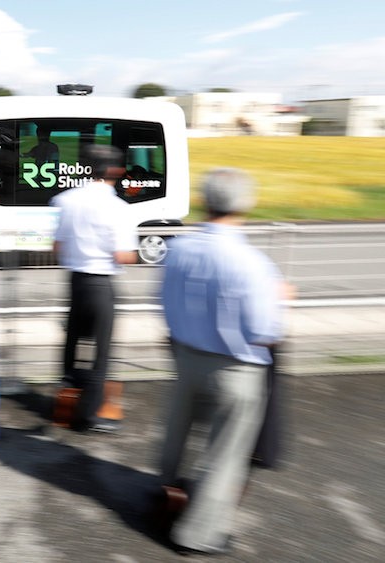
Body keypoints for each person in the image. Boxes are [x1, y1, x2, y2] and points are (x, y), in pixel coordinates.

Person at [157, 168, 292, 555]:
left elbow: (162, 302)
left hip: (186, 356)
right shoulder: (254, 264)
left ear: (204, 201)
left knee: (177, 428)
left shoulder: (179, 250)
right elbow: (265, 329)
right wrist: (282, 298)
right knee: (225, 453)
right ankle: (197, 534)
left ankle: (166, 487)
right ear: (246, 204)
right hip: (236, 368)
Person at [50, 144, 138, 433]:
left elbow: (57, 247)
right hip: (102, 284)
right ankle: (89, 416)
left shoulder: (64, 200)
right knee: (101, 350)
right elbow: (124, 255)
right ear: (116, 171)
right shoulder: (119, 208)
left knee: (72, 341)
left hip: (75, 281)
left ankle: (67, 392)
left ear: (87, 168)